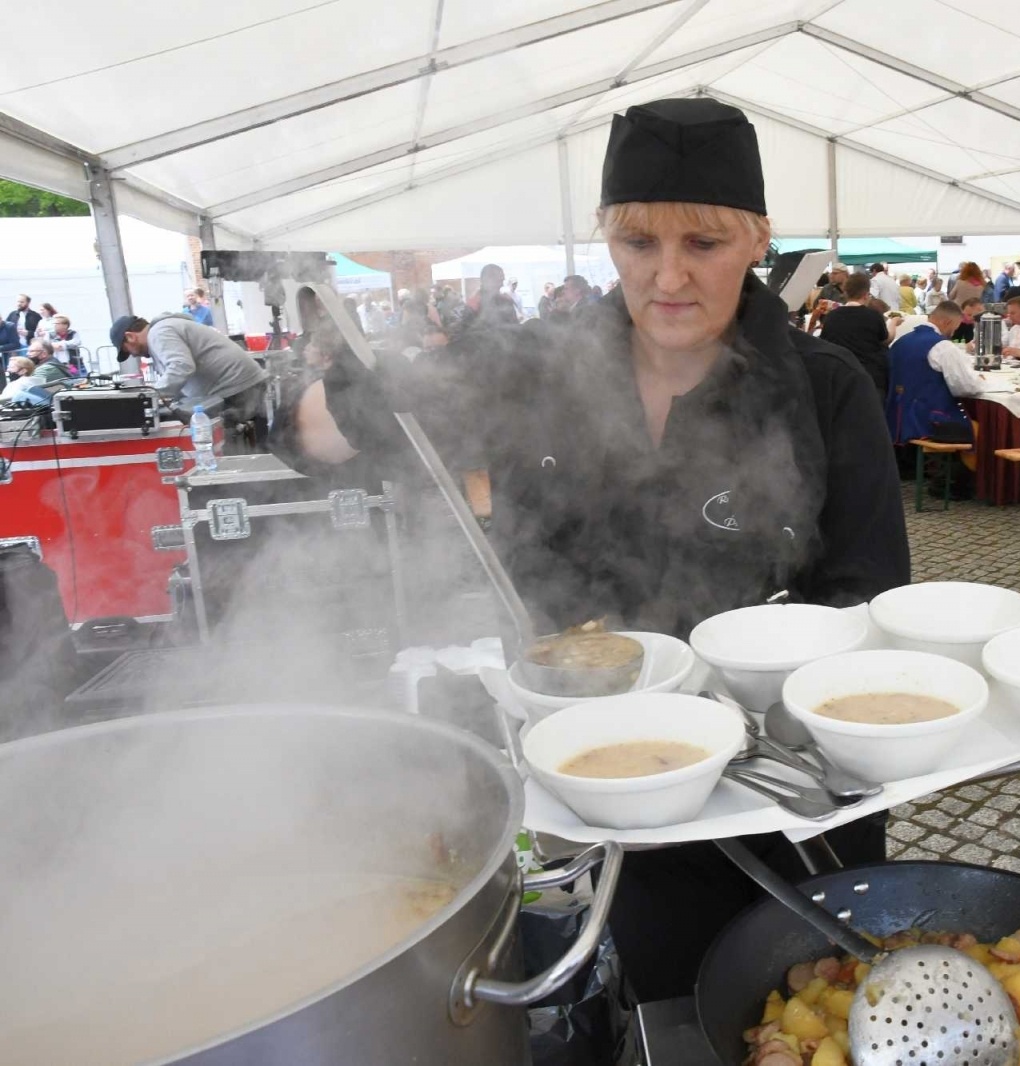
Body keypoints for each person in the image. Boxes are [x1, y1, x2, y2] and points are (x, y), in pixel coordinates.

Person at [279, 97, 908, 1001]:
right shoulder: (535, 368)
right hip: (595, 786)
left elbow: (866, 599)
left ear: (759, 239)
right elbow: (350, 428)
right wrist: (329, 408)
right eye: (638, 243)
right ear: (607, 238)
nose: (667, 277)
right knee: (640, 1007)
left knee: (792, 1017)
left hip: (786, 798)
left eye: (704, 243)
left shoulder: (824, 391)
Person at [110, 312, 269, 426]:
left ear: (130, 337)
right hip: (239, 388)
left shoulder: (159, 333)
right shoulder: (163, 331)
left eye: (126, 350)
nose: (132, 355)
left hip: (238, 390)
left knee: (231, 448)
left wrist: (149, 396)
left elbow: (181, 366)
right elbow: (178, 376)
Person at [886, 299, 988, 445]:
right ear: (946, 322)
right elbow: (965, 387)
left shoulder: (900, 341)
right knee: (980, 430)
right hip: (927, 420)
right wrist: (979, 380)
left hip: (895, 416)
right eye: (954, 328)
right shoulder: (942, 346)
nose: (953, 334)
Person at [819, 272, 890, 404]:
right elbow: (885, 339)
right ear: (866, 294)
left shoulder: (832, 317)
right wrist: (895, 324)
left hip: (841, 378)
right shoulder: (873, 316)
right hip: (870, 377)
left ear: (845, 292)